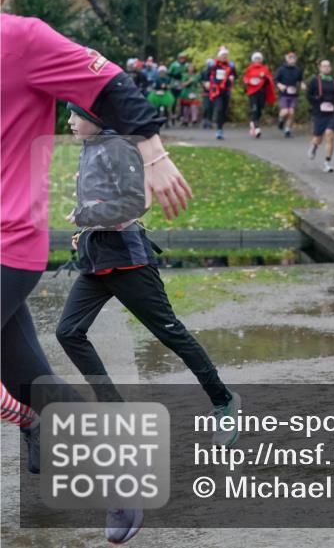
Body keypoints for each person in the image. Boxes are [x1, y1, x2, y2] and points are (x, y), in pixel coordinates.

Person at [2, 0, 192, 541]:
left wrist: (155, 156)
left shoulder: (22, 39)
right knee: (28, 374)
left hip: (7, 236)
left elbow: (112, 86)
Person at [56, 103, 240, 442]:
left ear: (96, 118)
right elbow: (99, 203)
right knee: (69, 332)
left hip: (129, 263)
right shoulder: (91, 147)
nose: (69, 121)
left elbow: (138, 202)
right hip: (96, 261)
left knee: (171, 334)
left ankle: (224, 401)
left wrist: (88, 216)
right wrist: (85, 225)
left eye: (76, 115)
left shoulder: (117, 147)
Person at [307, 59, 334, 173]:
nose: (326, 68)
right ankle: (314, 146)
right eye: (324, 66)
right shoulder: (315, 81)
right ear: (320, 68)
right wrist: (316, 100)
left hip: (331, 113)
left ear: (330, 68)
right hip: (319, 113)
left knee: (329, 135)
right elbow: (308, 95)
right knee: (318, 138)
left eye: (328, 66)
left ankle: (327, 163)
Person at [243, 51, 276, 138]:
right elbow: (246, 78)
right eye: (256, 59)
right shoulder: (249, 69)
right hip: (252, 92)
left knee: (260, 109)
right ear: (253, 60)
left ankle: (253, 122)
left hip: (261, 92)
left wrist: (264, 77)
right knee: (254, 109)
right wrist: (247, 81)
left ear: (261, 60)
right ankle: (257, 128)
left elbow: (269, 79)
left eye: (259, 59)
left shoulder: (265, 68)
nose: (257, 60)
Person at [208, 46, 237, 140]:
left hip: (226, 90)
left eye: (226, 55)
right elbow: (206, 74)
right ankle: (218, 127)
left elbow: (235, 75)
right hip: (216, 90)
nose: (224, 57)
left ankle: (220, 127)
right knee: (219, 108)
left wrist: (232, 77)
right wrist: (206, 82)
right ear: (219, 56)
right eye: (222, 55)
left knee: (224, 110)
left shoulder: (230, 66)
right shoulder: (214, 65)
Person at [274, 51, 304, 137]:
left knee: (291, 112)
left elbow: (300, 79)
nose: (292, 59)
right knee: (285, 111)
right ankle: (280, 120)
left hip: (294, 94)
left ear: (296, 59)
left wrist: (302, 84)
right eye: (290, 58)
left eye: (293, 58)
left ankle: (287, 129)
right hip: (284, 94)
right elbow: (275, 79)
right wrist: (280, 85)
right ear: (286, 58)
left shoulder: (298, 70)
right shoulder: (281, 69)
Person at [178, 62, 200, 126]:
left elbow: (197, 84)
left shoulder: (196, 76)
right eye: (189, 67)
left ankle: (194, 120)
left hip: (193, 92)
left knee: (194, 106)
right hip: (186, 92)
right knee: (186, 107)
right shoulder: (185, 75)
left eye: (192, 67)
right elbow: (183, 84)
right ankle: (185, 120)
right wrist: (189, 81)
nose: (191, 69)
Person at [199, 58, 214, 128]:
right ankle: (204, 120)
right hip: (206, 92)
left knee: (211, 107)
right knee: (206, 107)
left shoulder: (214, 72)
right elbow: (200, 80)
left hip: (213, 92)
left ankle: (209, 121)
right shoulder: (203, 72)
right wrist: (204, 84)